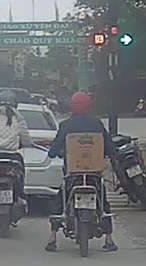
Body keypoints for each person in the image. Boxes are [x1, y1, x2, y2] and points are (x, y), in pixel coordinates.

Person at [45, 91, 116, 253]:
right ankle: (109, 238)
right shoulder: (97, 124)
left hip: (73, 174)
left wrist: (55, 152)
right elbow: (110, 147)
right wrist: (109, 153)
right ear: (89, 106)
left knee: (60, 200)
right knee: (103, 201)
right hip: (94, 174)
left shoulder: (66, 125)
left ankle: (52, 238)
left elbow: (54, 150)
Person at [0, 89, 32, 223]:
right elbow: (26, 139)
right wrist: (24, 144)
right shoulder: (19, 118)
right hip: (13, 157)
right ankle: (20, 194)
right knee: (20, 176)